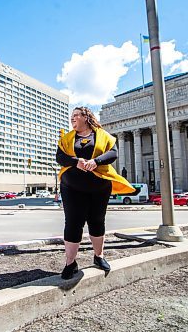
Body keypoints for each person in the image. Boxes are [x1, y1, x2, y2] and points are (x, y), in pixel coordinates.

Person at [56, 106, 135, 279]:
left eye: (76, 115)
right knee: (73, 223)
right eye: (72, 116)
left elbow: (113, 153)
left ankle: (99, 257)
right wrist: (75, 161)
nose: (73, 118)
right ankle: (70, 263)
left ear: (86, 117)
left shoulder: (102, 135)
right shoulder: (67, 138)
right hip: (71, 188)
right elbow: (59, 158)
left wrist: (95, 161)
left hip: (99, 188)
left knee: (97, 221)